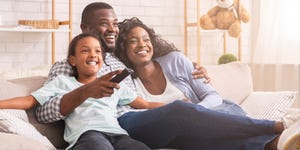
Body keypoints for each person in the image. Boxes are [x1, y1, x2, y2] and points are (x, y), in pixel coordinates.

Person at [34, 2, 300, 150]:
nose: (112, 29)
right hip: (122, 123)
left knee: (200, 129)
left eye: (115, 23)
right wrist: (84, 92)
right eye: (105, 24)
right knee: (179, 113)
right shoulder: (66, 66)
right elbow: (44, 112)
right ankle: (274, 126)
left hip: (144, 119)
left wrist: (196, 69)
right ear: (85, 28)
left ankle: (274, 144)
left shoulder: (122, 59)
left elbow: (152, 58)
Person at [114, 17, 300, 150]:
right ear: (123, 48)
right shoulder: (127, 80)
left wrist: (197, 112)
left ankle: (274, 145)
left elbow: (212, 95)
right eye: (133, 41)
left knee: (202, 136)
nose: (142, 44)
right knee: (184, 117)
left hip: (210, 116)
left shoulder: (175, 61)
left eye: (146, 39)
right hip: (173, 130)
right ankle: (275, 127)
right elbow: (144, 118)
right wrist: (184, 112)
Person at [0, 33, 165, 150]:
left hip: (118, 134)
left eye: (98, 51)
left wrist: (175, 103)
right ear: (72, 60)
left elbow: (146, 103)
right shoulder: (63, 82)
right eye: (85, 51)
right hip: (87, 135)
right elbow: (30, 100)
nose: (93, 55)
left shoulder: (113, 84)